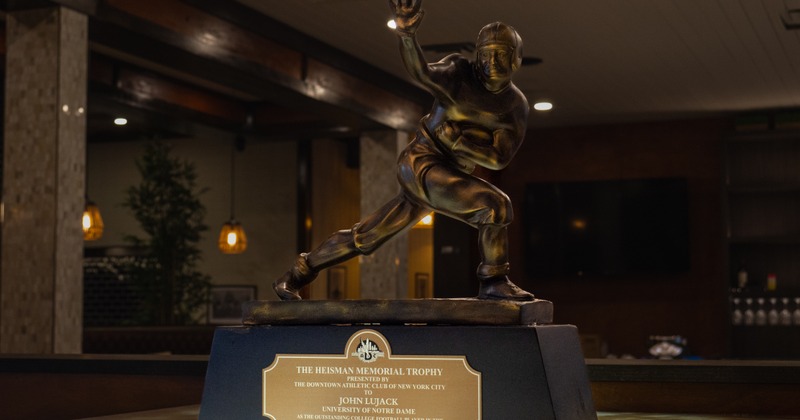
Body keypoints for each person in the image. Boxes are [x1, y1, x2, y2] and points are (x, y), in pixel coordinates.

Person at [273, 0, 534, 301]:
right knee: (495, 206)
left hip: (449, 171)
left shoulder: (514, 106)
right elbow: (421, 72)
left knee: (368, 237)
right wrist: (407, 36)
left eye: (501, 55)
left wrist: (458, 143)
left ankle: (296, 274)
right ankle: (494, 280)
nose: (491, 62)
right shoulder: (459, 74)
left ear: (516, 59)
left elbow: (498, 158)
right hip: (422, 162)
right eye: (486, 54)